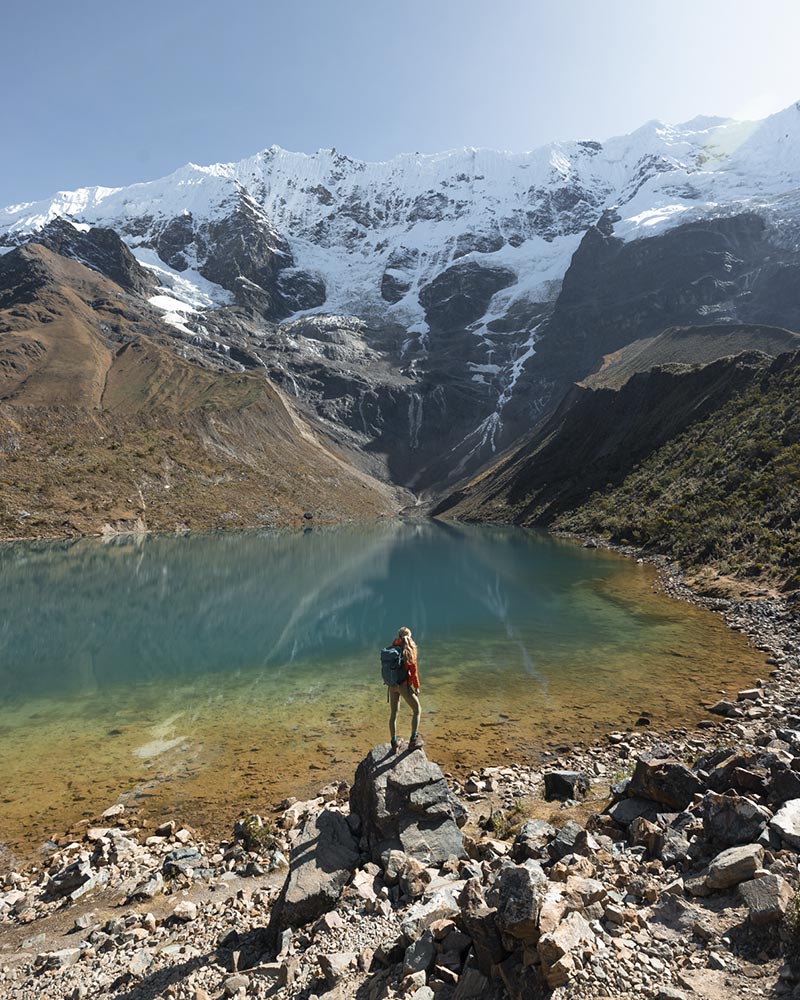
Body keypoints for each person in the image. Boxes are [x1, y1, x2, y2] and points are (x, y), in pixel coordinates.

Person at [388, 626, 423, 753]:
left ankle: (394, 743)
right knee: (417, 710)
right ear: (410, 636)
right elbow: (414, 672)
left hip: (392, 685)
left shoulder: (393, 647)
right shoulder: (409, 649)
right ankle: (413, 741)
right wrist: (416, 687)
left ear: (398, 636)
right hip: (403, 685)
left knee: (393, 713)